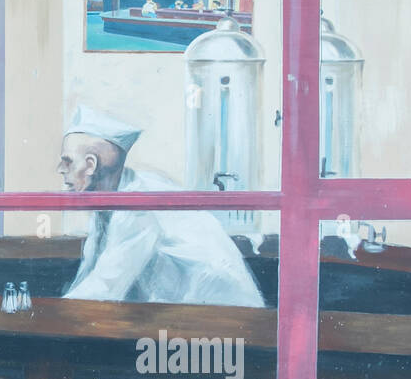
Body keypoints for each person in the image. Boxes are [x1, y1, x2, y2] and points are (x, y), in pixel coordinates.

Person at [56, 106, 264, 307]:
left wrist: (55, 311)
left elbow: (105, 287)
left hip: (225, 316)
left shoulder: (137, 203)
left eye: (67, 161)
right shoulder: (110, 200)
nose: (60, 169)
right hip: (188, 314)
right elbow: (90, 277)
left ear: (91, 165)